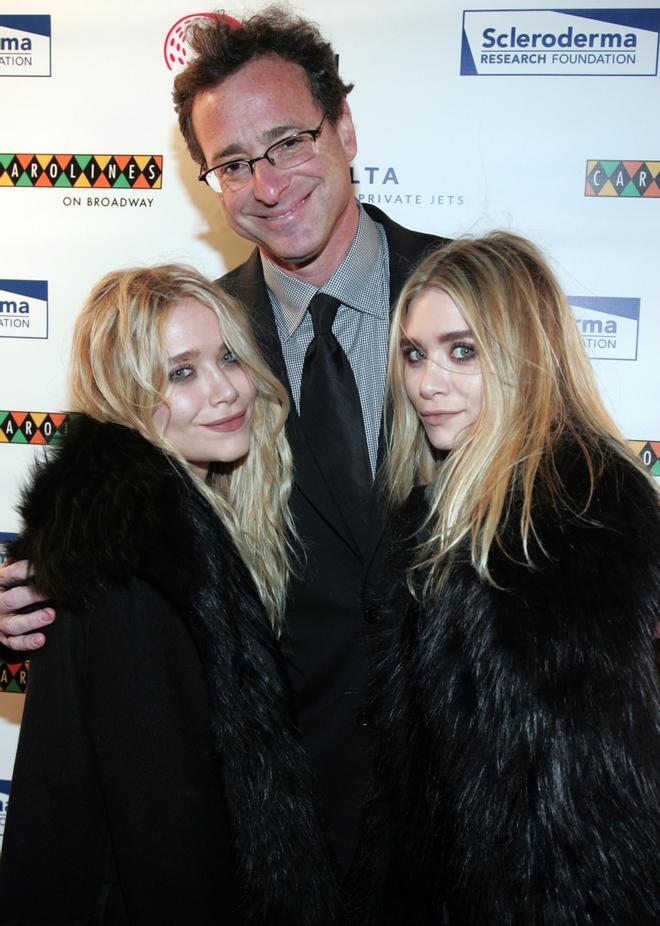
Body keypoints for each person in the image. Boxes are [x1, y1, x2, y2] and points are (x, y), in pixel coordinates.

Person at [0, 8, 446, 879]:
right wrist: (24, 612)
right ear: (209, 180)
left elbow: (567, 480)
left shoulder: (469, 299)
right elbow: (106, 525)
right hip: (278, 827)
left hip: (460, 807)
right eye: (235, 164)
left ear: (345, 129)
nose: (269, 184)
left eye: (286, 142)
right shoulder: (196, 333)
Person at [0, 265, 347, 925]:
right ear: (127, 393)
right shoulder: (134, 560)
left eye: (228, 359)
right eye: (181, 372)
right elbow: (165, 832)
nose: (225, 391)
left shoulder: (160, 526)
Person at [375, 232, 660, 924]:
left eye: (461, 350)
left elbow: (580, 815)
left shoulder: (575, 518)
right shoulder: (454, 507)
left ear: (526, 353)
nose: (426, 381)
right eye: (414, 353)